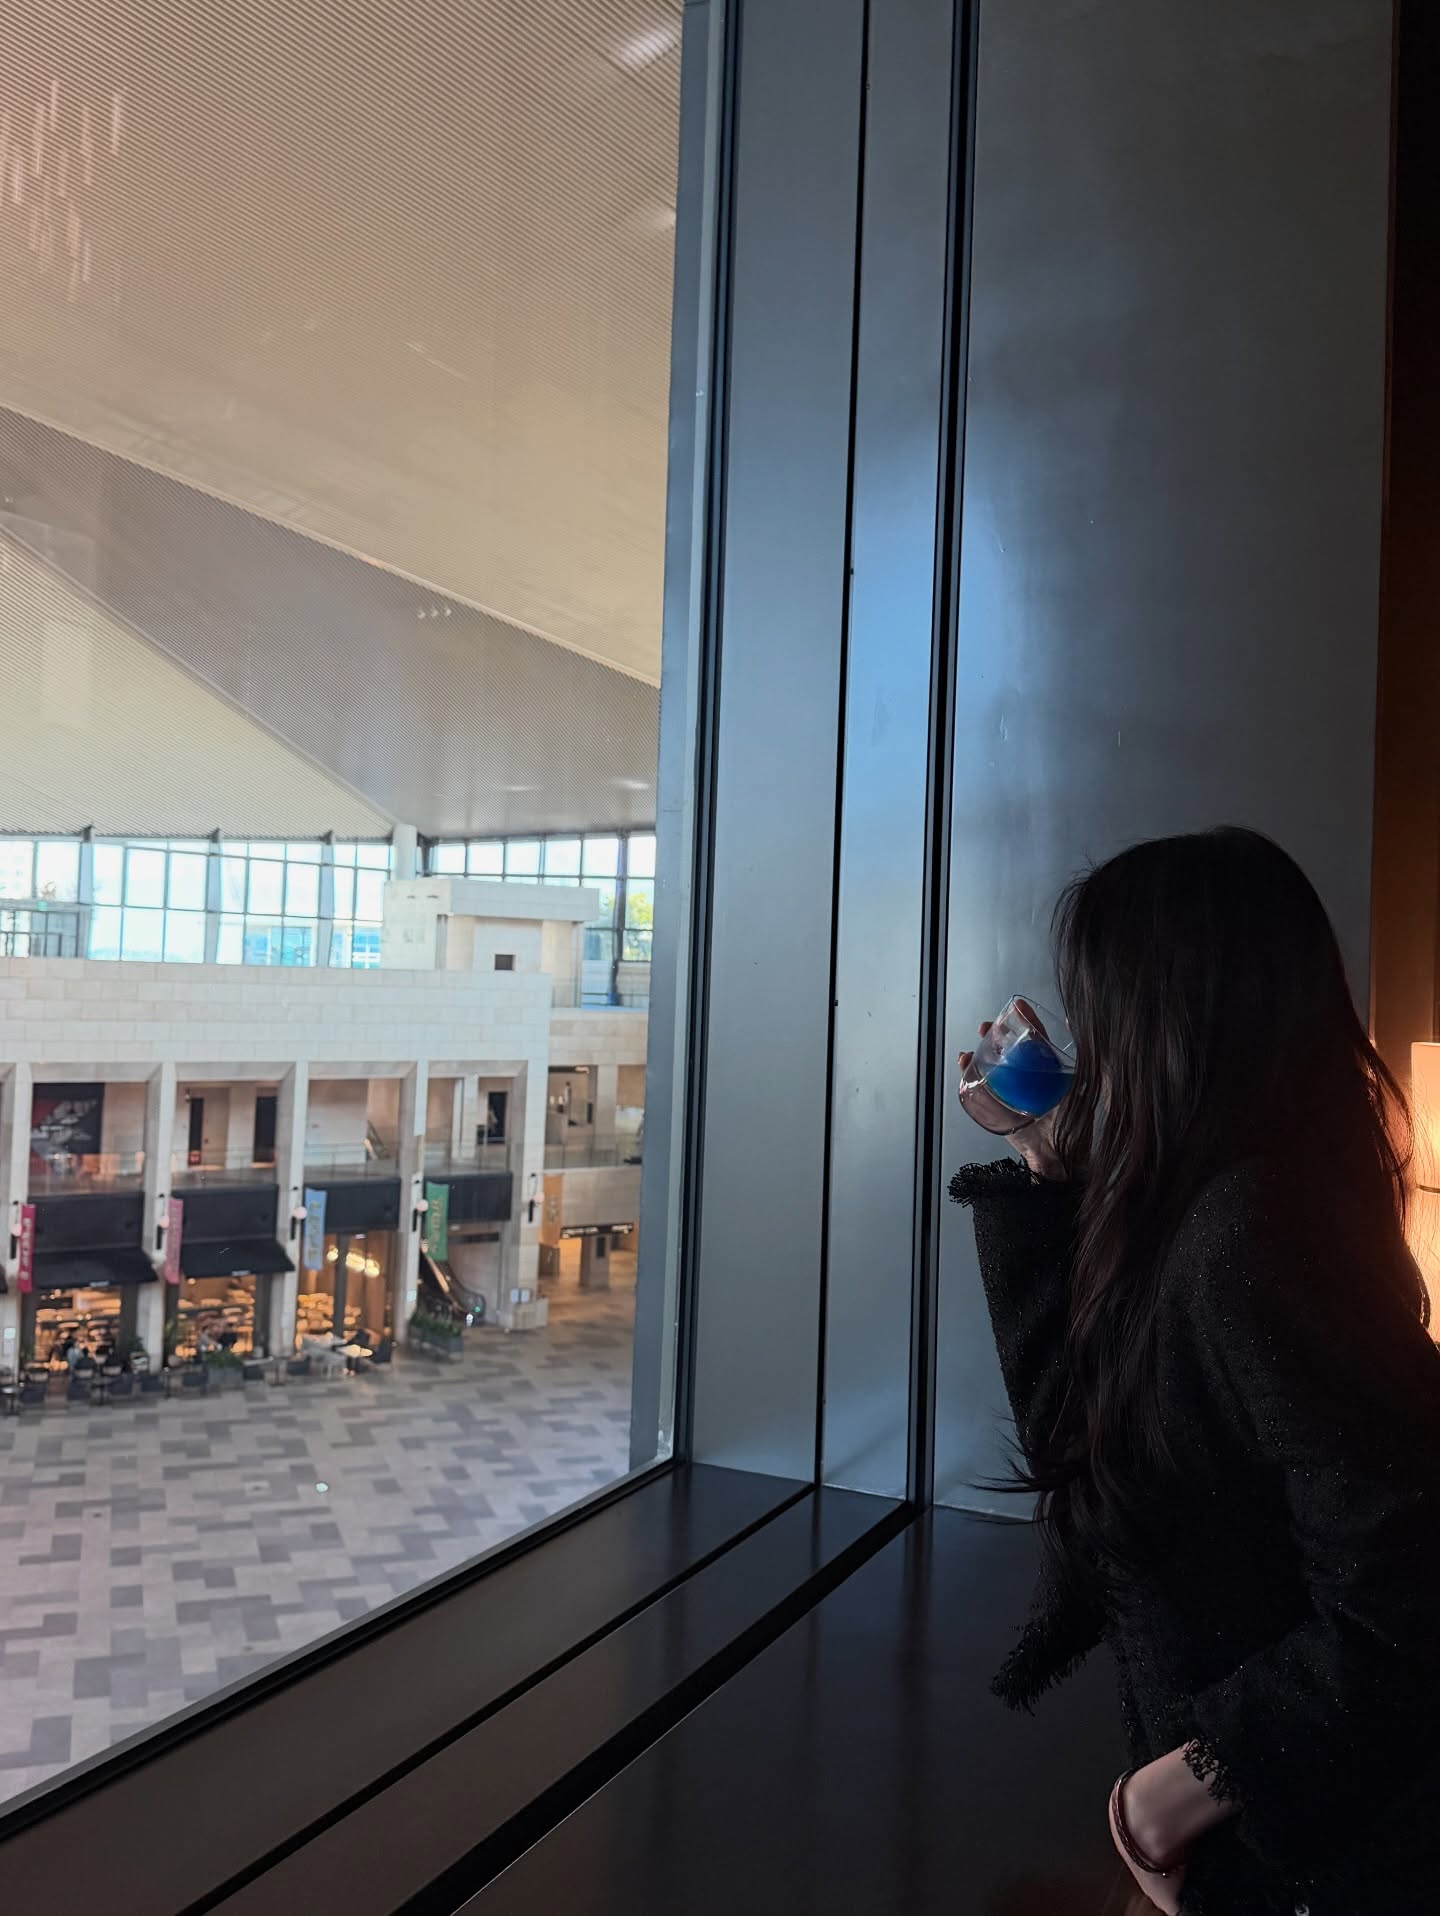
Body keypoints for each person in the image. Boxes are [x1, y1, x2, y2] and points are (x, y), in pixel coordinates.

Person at [951, 827, 1440, 1915]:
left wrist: (1182, 1787)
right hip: (1274, 1843)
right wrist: (1047, 1166)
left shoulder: (1251, 1232)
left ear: (1169, 1018)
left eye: (1101, 1011)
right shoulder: (1220, 1209)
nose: (1092, 1047)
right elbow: (1088, 1454)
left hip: (1317, 1861)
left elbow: (1405, 1596)